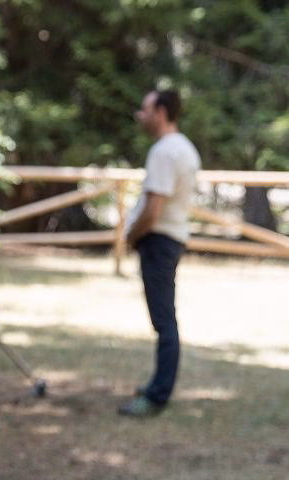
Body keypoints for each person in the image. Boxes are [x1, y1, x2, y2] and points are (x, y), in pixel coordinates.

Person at [118, 89, 201, 418]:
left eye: (146, 109)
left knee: (164, 322)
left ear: (162, 112)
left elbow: (153, 210)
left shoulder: (165, 152)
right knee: (164, 320)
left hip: (159, 240)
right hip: (168, 239)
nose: (141, 116)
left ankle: (157, 395)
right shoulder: (184, 148)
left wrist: (132, 236)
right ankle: (157, 386)